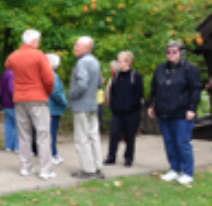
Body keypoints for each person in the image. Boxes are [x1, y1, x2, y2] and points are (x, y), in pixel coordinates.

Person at [5, 29, 56, 180]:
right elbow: (49, 78)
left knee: (24, 134)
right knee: (43, 134)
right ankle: (45, 170)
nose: (39, 43)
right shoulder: (39, 55)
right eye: (38, 40)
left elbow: (7, 65)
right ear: (34, 42)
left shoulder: (14, 56)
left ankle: (25, 167)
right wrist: (46, 92)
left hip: (20, 99)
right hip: (37, 98)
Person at [148, 40, 201, 185]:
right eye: (168, 52)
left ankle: (187, 171)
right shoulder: (160, 68)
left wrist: (191, 108)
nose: (171, 54)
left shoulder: (190, 69)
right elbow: (154, 88)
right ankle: (174, 168)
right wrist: (151, 105)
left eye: (174, 52)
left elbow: (195, 90)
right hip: (163, 112)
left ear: (181, 53)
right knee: (169, 142)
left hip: (182, 112)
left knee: (182, 142)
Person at [68, 36, 104, 180]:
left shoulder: (82, 63)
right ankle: (98, 167)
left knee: (82, 138)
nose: (75, 47)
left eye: (78, 45)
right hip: (92, 105)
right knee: (94, 137)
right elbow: (100, 83)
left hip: (81, 105)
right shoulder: (95, 61)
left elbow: (82, 84)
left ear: (87, 48)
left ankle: (88, 170)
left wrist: (72, 94)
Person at [104, 51, 144, 167]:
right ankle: (111, 156)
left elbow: (138, 93)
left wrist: (130, 106)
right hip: (117, 112)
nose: (118, 63)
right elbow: (113, 93)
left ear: (128, 62)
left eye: (120, 61)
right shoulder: (116, 77)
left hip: (131, 112)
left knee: (130, 135)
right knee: (114, 134)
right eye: (118, 61)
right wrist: (114, 106)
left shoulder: (135, 76)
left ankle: (128, 157)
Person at [46, 53, 68, 165]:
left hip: (49, 107)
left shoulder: (45, 74)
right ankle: (53, 154)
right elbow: (55, 92)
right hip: (52, 108)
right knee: (51, 132)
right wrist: (63, 102)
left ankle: (52, 153)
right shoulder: (52, 75)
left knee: (49, 132)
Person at [0, 68, 18, 153]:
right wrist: (17, 98)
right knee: (17, 125)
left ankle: (8, 146)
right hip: (12, 103)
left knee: (8, 124)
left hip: (4, 103)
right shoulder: (13, 74)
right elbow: (11, 89)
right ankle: (16, 147)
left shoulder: (4, 73)